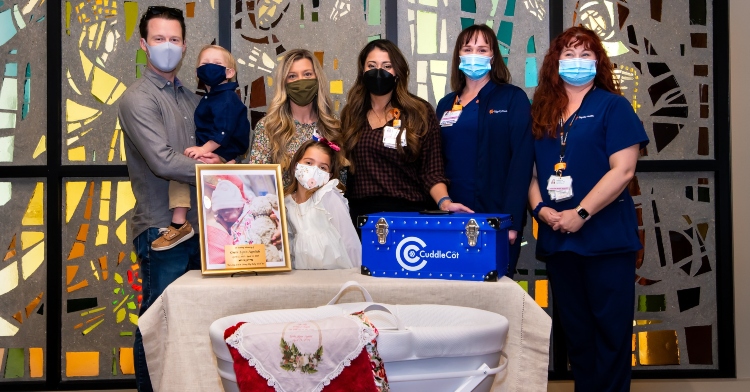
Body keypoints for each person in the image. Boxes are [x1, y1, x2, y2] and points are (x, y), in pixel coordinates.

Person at [528, 26, 649, 391]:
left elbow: (624, 170)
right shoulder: (542, 112)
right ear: (555, 62)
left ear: (598, 62)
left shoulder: (613, 106)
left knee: (610, 338)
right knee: (578, 339)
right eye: (569, 54)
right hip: (559, 240)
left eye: (585, 55)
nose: (577, 62)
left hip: (605, 240)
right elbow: (529, 172)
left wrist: (580, 213)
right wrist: (539, 210)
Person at [117, 6, 222, 392]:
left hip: (204, 231)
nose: (167, 46)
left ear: (184, 46)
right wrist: (222, 171)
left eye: (174, 40)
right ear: (144, 45)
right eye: (158, 39)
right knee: (158, 324)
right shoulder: (137, 99)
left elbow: (214, 146)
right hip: (162, 229)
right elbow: (162, 161)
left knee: (196, 325)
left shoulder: (194, 101)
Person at [436, 24, 534, 277]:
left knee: (493, 292)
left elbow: (521, 163)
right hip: (451, 214)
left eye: (482, 49)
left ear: (493, 56)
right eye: (467, 49)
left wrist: (510, 222)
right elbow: (436, 160)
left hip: (496, 217)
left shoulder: (512, 98)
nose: (474, 54)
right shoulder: (446, 104)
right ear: (458, 55)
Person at [340, 39, 472, 225]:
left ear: (398, 72)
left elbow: (432, 170)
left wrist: (445, 202)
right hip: (361, 219)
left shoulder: (418, 112)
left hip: (408, 217)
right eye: (372, 65)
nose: (379, 71)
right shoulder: (351, 115)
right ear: (362, 71)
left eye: (387, 66)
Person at [152, 44, 250, 251]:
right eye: (204, 63)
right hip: (219, 152)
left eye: (216, 63)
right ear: (197, 71)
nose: (209, 67)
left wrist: (205, 150)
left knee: (180, 172)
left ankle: (179, 222)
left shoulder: (227, 98)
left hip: (223, 150)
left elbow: (223, 131)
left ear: (229, 72)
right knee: (182, 170)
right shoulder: (208, 97)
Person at [245, 49, 341, 184]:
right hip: (281, 204)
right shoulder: (269, 126)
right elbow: (257, 180)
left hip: (324, 204)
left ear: (317, 79)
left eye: (307, 74)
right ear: (284, 83)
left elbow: (341, 180)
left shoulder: (333, 126)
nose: (300, 81)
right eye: (292, 76)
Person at [284, 139, 361, 269]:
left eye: (322, 167)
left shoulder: (328, 196)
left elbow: (350, 241)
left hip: (334, 277)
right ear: (295, 165)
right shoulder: (286, 203)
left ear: (329, 176)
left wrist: (359, 275)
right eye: (308, 163)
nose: (314, 170)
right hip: (300, 278)